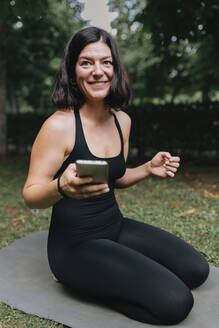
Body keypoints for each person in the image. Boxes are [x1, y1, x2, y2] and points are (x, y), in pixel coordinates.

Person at [23, 26, 209, 325]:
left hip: (115, 227)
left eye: (106, 62)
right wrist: (62, 186)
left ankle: (105, 274)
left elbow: (114, 179)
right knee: (176, 303)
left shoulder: (122, 120)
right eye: (86, 63)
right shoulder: (59, 126)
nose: (98, 71)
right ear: (73, 71)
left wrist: (148, 168)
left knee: (196, 270)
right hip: (75, 245)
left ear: (116, 68)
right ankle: (76, 279)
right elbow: (31, 195)